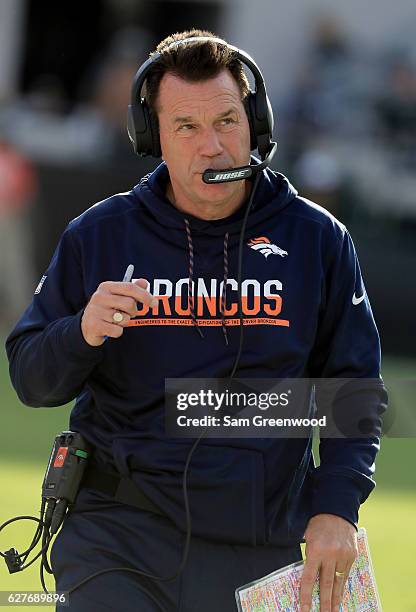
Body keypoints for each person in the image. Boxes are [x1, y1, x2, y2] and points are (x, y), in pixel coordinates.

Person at [6, 29, 387, 612]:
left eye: (227, 121)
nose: (212, 146)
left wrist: (336, 510)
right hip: (118, 535)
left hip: (262, 544)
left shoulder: (318, 239)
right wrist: (80, 331)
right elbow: (32, 381)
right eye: (187, 127)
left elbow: (355, 393)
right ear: (152, 136)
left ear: (255, 123)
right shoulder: (100, 234)